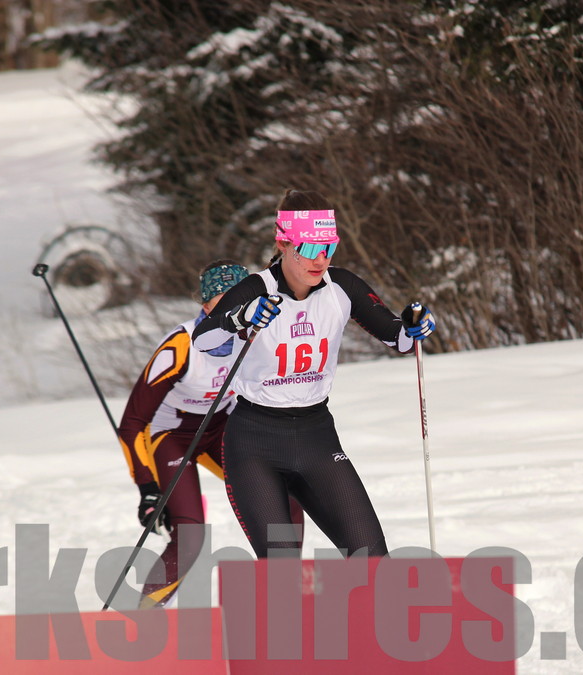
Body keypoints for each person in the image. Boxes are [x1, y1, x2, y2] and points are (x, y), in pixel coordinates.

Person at [191, 189, 437, 559]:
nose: (320, 259)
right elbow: (203, 339)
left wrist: (415, 327)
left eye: (329, 248)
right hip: (255, 442)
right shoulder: (256, 289)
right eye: (308, 249)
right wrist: (240, 317)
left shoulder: (342, 286)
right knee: (283, 569)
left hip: (316, 437)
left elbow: (397, 337)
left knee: (372, 559)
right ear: (283, 244)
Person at [116, 259, 303, 608]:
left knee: (288, 500)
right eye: (223, 301)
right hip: (172, 435)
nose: (234, 308)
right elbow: (132, 423)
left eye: (242, 299)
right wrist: (148, 489)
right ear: (205, 306)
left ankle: (283, 597)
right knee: (190, 537)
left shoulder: (259, 335)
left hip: (222, 429)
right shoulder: (180, 347)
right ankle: (145, 616)